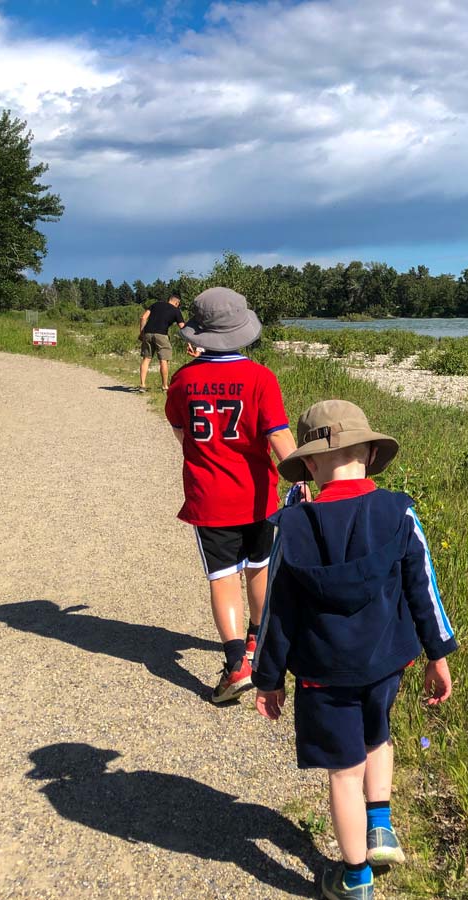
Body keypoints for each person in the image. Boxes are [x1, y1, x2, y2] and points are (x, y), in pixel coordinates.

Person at [252, 399, 456, 900]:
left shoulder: (293, 527)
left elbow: (277, 608)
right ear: (367, 453)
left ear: (312, 465)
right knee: (379, 736)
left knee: (344, 773)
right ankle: (380, 825)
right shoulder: (398, 511)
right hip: (387, 664)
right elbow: (422, 587)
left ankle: (356, 876)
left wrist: (269, 676)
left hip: (324, 676)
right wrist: (438, 653)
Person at [165, 286, 297, 703]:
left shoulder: (185, 379)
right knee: (259, 568)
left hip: (210, 498)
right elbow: (278, 435)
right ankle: (257, 642)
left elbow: (180, 433)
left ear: (199, 334)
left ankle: (236, 662)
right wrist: (301, 478)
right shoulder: (261, 377)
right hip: (258, 497)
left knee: (223, 578)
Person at [138, 292, 186, 391]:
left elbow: (143, 317)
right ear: (177, 303)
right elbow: (182, 327)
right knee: (163, 360)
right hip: (162, 335)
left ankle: (142, 385)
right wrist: (189, 341)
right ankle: (164, 386)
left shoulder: (155, 304)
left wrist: (142, 332)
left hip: (148, 333)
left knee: (146, 359)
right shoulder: (176, 310)